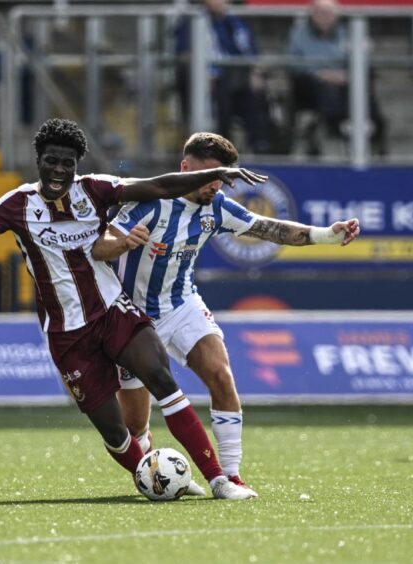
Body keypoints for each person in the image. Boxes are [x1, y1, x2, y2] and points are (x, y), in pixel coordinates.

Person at [0, 118, 267, 499]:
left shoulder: (94, 190)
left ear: (77, 164)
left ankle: (218, 479)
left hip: (114, 311)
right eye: (51, 161)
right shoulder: (14, 205)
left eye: (67, 163)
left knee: (162, 380)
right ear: (38, 161)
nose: (59, 170)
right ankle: (158, 477)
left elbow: (159, 186)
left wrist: (215, 173)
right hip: (67, 332)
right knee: (116, 432)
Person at [91, 131, 360, 493]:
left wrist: (328, 235)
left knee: (221, 374)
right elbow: (98, 246)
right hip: (134, 317)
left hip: (182, 304)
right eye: (209, 175)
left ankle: (229, 477)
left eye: (222, 177)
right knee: (135, 422)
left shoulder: (216, 207)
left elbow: (271, 229)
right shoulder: (150, 202)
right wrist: (122, 242)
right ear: (185, 168)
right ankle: (159, 472)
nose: (216, 185)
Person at [286, 0, 388, 156]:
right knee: (327, 88)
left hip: (343, 80)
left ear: (337, 15)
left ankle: (372, 125)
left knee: (360, 84)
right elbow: (293, 64)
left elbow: (360, 60)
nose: (324, 17)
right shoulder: (299, 35)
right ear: (312, 15)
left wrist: (347, 75)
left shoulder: (346, 34)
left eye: (328, 12)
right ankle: (335, 126)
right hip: (311, 83)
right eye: (319, 12)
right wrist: (320, 74)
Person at [174, 0, 275, 154]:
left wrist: (255, 71)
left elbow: (252, 53)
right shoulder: (192, 21)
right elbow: (183, 55)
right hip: (211, 80)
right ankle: (222, 148)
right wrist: (205, 74)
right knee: (224, 92)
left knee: (257, 94)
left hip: (239, 78)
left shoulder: (236, 21)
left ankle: (262, 147)